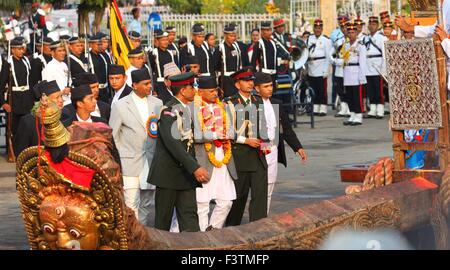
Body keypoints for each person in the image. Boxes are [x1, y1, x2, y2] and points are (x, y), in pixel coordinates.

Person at [148, 72, 210, 232]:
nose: (195, 90)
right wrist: (195, 167)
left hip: (185, 176)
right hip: (168, 175)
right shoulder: (168, 111)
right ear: (183, 90)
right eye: (192, 87)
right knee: (163, 224)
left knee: (190, 221)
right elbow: (173, 144)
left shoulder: (185, 109)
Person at [110, 68, 163, 225]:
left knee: (146, 204)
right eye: (145, 84)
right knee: (131, 204)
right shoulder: (120, 105)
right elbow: (112, 134)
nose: (149, 87)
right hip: (129, 162)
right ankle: (131, 240)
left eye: (150, 83)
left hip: (151, 161)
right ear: (134, 85)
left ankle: (143, 236)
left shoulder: (157, 103)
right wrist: (122, 152)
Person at [253, 72, 307, 213]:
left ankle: (263, 218)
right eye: (266, 86)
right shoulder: (251, 104)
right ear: (257, 88)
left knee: (269, 187)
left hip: (274, 148)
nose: (270, 89)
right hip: (257, 149)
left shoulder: (277, 103)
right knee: (257, 189)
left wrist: (297, 147)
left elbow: (286, 129)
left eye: (271, 85)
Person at [190, 76, 237, 231]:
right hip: (203, 158)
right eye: (211, 91)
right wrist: (216, 135)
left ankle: (213, 230)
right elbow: (195, 135)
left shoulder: (223, 106)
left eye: (216, 90)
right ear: (200, 92)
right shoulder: (193, 108)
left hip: (223, 158)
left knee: (227, 201)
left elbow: (232, 130)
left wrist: (228, 134)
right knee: (202, 203)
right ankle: (202, 236)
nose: (215, 93)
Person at [224, 67, 269, 226]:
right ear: (237, 84)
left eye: (251, 80)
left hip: (258, 156)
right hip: (240, 156)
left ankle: (259, 228)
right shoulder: (229, 103)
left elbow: (262, 125)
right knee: (238, 197)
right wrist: (245, 140)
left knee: (260, 196)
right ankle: (231, 229)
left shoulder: (257, 100)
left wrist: (265, 142)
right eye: (246, 81)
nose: (251, 83)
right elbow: (226, 130)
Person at [14, 80, 64, 156]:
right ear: (43, 100)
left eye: (61, 96)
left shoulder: (65, 117)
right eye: (57, 97)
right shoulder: (29, 122)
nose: (61, 100)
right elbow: (20, 153)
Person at [213, 24, 248, 98]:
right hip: (225, 79)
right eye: (231, 36)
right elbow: (214, 65)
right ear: (225, 35)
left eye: (234, 36)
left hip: (236, 78)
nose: (233, 38)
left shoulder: (236, 46)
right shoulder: (220, 48)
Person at [343, 23, 367, 126]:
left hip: (356, 72)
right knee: (350, 96)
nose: (351, 34)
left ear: (356, 33)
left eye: (353, 32)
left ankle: (358, 115)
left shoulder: (360, 46)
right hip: (347, 72)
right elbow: (343, 59)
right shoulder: (345, 45)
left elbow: (362, 62)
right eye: (349, 32)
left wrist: (362, 76)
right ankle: (352, 114)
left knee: (357, 96)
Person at [306, 19, 332, 116]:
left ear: (322, 29)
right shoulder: (310, 38)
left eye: (319, 28)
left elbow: (328, 56)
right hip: (312, 66)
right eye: (315, 28)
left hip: (321, 66)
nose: (317, 30)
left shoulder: (326, 40)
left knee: (322, 89)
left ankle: (323, 107)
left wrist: (326, 69)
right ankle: (316, 107)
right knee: (314, 89)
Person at [363, 16, 387, 119]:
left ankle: (380, 109)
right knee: (370, 90)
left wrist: (384, 69)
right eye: (370, 24)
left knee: (379, 90)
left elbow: (385, 55)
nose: (371, 26)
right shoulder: (365, 38)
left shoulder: (382, 38)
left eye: (373, 24)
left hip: (378, 66)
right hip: (368, 66)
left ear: (377, 26)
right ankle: (372, 109)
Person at [149, 29, 177, 104]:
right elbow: (151, 70)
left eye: (166, 40)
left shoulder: (170, 53)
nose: (165, 42)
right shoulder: (154, 52)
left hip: (170, 83)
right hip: (159, 84)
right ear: (157, 41)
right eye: (163, 40)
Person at [42, 40, 72, 106]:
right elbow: (48, 90)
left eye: (64, 50)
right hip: (57, 103)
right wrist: (62, 92)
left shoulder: (64, 65)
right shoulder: (49, 68)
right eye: (59, 51)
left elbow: (69, 80)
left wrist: (69, 88)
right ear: (52, 53)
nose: (63, 53)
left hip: (68, 100)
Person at [331, 17, 350, 117]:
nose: (344, 29)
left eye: (346, 27)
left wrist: (343, 61)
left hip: (348, 68)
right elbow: (332, 52)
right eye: (342, 27)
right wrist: (334, 60)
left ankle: (349, 109)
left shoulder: (352, 41)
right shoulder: (339, 40)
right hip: (339, 68)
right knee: (340, 89)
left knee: (348, 89)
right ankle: (343, 108)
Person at [251, 21, 278, 91]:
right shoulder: (258, 44)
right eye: (267, 30)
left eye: (270, 30)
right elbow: (253, 61)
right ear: (262, 32)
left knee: (273, 94)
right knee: (265, 94)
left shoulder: (273, 43)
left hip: (274, 74)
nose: (270, 32)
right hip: (264, 74)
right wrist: (253, 74)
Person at [88, 33, 110, 103]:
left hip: (105, 90)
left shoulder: (104, 56)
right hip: (94, 91)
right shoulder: (87, 57)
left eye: (101, 44)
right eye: (98, 44)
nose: (100, 46)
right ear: (91, 45)